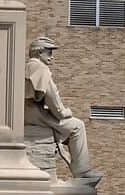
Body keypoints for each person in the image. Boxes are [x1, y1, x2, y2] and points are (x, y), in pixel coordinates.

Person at [25, 37, 103, 185]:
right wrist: (65, 112)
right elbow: (54, 102)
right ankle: (83, 172)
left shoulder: (24, 67)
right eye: (49, 53)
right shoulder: (41, 69)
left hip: (24, 114)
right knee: (77, 126)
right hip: (37, 115)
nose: (51, 57)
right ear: (39, 52)